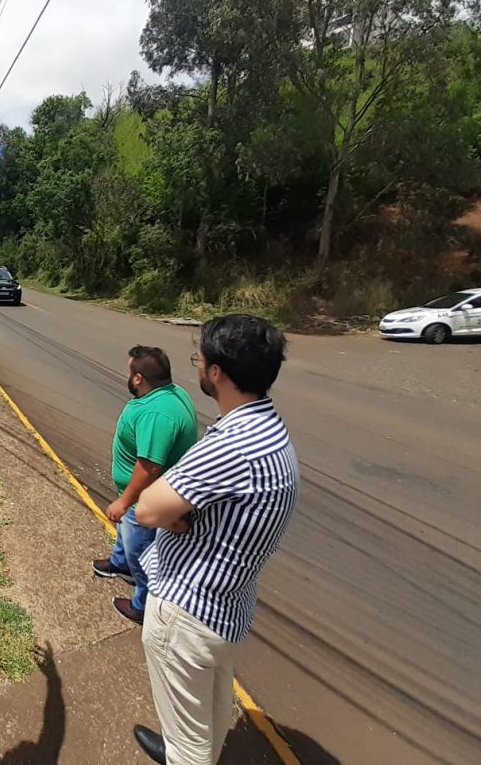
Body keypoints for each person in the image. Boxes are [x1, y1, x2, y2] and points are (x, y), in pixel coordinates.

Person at [131, 314, 299, 765]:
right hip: (228, 606)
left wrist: (173, 518)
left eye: (199, 361)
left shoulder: (231, 443)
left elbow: (148, 508)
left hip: (187, 612)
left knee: (189, 750)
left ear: (217, 373)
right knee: (211, 714)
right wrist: (182, 517)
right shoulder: (272, 432)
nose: (198, 368)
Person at [92, 346, 197, 624]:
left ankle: (142, 604)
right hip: (135, 499)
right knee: (125, 537)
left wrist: (124, 501)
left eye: (129, 370)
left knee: (142, 553)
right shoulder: (170, 394)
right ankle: (120, 562)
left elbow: (149, 467)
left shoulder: (157, 415)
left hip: (143, 502)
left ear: (138, 378)